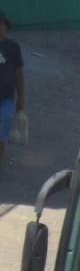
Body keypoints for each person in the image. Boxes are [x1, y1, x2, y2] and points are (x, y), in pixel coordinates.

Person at [0, 10, 26, 166]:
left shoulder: (12, 47)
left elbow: (19, 73)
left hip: (6, 99)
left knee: (2, 137)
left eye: (2, 25)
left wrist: (21, 97)